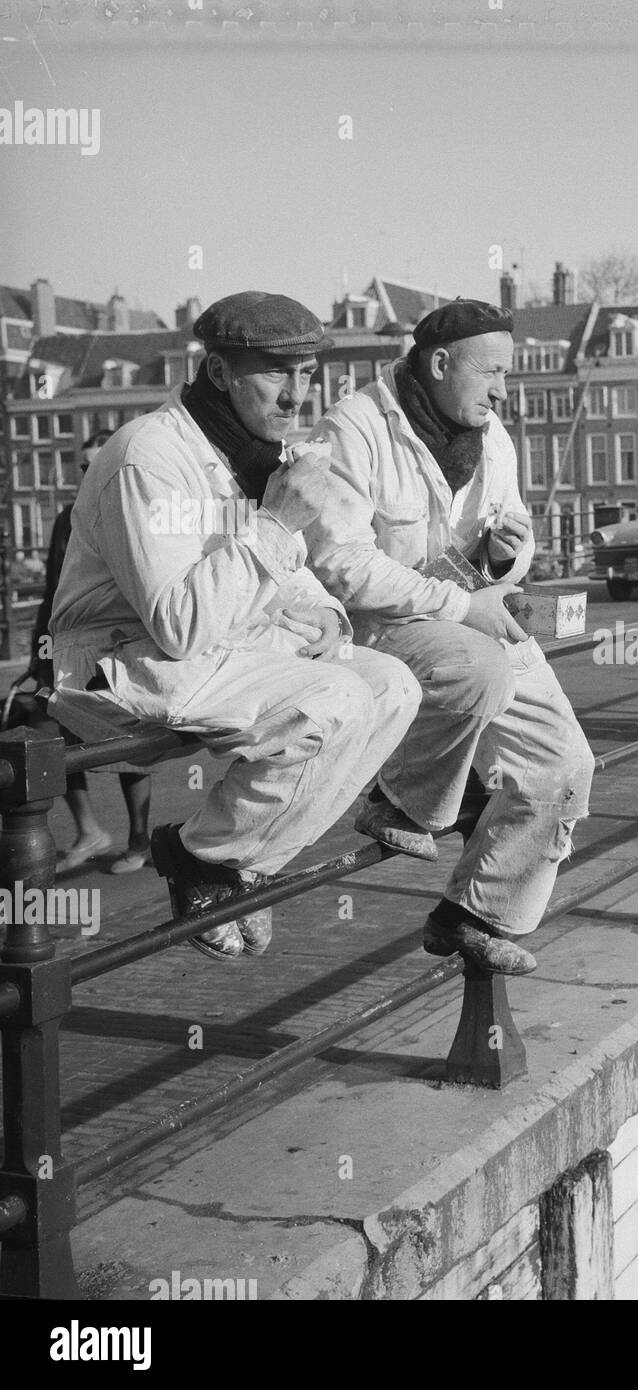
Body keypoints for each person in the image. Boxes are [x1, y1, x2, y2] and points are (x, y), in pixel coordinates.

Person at [49, 291, 422, 962]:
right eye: (278, 372)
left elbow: (299, 579)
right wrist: (276, 522)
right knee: (333, 699)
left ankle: (239, 868)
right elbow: (178, 624)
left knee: (393, 682)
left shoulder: (242, 452)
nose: (297, 395)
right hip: (124, 664)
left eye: (307, 373)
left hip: (224, 651)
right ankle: (199, 857)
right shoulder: (150, 460)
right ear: (219, 373)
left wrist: (332, 622)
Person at [305, 299, 595, 978]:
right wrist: (460, 603)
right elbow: (339, 563)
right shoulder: (355, 427)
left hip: (474, 616)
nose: (503, 390)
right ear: (439, 363)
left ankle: (473, 915)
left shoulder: (491, 436)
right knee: (474, 671)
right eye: (492, 371)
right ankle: (396, 798)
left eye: (509, 375)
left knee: (565, 765)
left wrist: (506, 556)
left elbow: (515, 523)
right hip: (384, 632)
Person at [28, 430, 152, 873]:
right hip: (67, 646)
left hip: (117, 647)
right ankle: (89, 830)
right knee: (46, 729)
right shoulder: (66, 519)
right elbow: (52, 591)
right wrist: (36, 657)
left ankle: (140, 840)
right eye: (82, 466)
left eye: (93, 464)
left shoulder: (131, 515)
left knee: (124, 741)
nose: (86, 473)